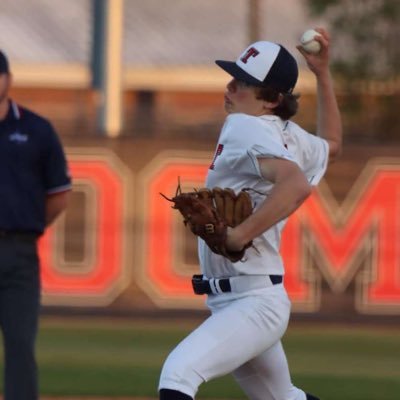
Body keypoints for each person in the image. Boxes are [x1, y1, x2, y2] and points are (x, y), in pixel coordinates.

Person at [158, 28, 342, 400]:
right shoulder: (287, 133)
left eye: (243, 82)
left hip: (252, 302)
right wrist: (322, 74)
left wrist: (239, 236)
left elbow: (295, 184)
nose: (230, 86)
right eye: (233, 77)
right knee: (283, 397)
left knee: (177, 376)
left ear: (272, 99)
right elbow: (333, 146)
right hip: (247, 297)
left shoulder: (243, 125)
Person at [0, 50, 71, 399]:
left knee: (20, 343)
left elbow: (59, 193)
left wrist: (27, 226)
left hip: (18, 252)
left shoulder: (35, 129)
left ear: (8, 80)